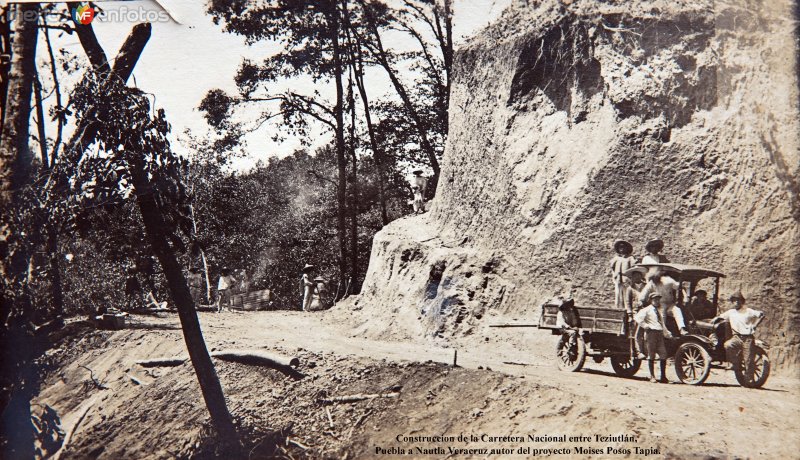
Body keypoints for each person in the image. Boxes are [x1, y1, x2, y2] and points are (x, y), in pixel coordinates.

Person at [713, 291, 764, 382]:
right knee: (728, 345)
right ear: (732, 302)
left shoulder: (748, 311)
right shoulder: (731, 312)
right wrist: (715, 319)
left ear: (742, 302)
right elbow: (720, 317)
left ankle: (749, 381)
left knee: (748, 360)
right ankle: (735, 363)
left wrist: (755, 324)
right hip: (736, 337)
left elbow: (761, 314)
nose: (736, 302)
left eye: (738, 300)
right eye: (734, 301)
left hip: (747, 338)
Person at [638, 267, 687, 336]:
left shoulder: (667, 280)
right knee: (662, 315)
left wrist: (681, 285)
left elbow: (677, 286)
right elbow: (644, 292)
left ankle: (682, 329)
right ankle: (663, 332)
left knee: (677, 310)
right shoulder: (652, 283)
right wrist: (641, 300)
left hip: (670, 303)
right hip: (660, 303)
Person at [634, 293, 669, 383]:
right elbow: (637, 318)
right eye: (655, 300)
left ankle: (663, 377)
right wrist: (645, 325)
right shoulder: (647, 310)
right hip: (651, 334)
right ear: (651, 300)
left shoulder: (658, 311)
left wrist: (666, 333)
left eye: (658, 299)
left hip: (659, 334)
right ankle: (652, 376)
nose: (657, 301)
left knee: (663, 354)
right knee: (651, 354)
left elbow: (661, 323)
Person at [624, 268, 647, 358]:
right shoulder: (630, 289)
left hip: (645, 312)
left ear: (641, 276)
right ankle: (638, 352)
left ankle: (648, 350)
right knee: (637, 333)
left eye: (638, 276)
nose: (636, 278)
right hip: (636, 313)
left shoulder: (645, 287)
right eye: (634, 276)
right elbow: (628, 302)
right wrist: (630, 315)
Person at [610, 240, 636, 309]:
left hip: (627, 281)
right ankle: (618, 309)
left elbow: (634, 267)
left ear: (627, 248)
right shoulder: (616, 258)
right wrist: (615, 276)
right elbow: (612, 267)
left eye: (623, 247)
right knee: (618, 295)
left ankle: (627, 311)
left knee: (626, 296)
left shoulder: (630, 258)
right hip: (618, 280)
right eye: (620, 247)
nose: (622, 249)